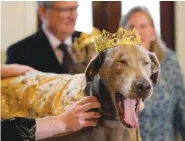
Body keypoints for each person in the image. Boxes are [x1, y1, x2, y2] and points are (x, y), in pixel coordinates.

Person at [119, 6, 185, 141]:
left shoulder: (169, 61)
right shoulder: (114, 67)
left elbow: (181, 108)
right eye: (131, 26)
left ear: (153, 32)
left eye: (143, 26)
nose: (137, 31)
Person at [1, 64, 102, 141]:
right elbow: (6, 131)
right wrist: (62, 123)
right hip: (16, 108)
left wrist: (39, 77)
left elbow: (20, 70)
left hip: (36, 85)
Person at [5, 1, 87, 74]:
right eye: (65, 10)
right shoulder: (19, 52)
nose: (73, 16)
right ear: (43, 11)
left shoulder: (89, 41)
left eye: (75, 9)